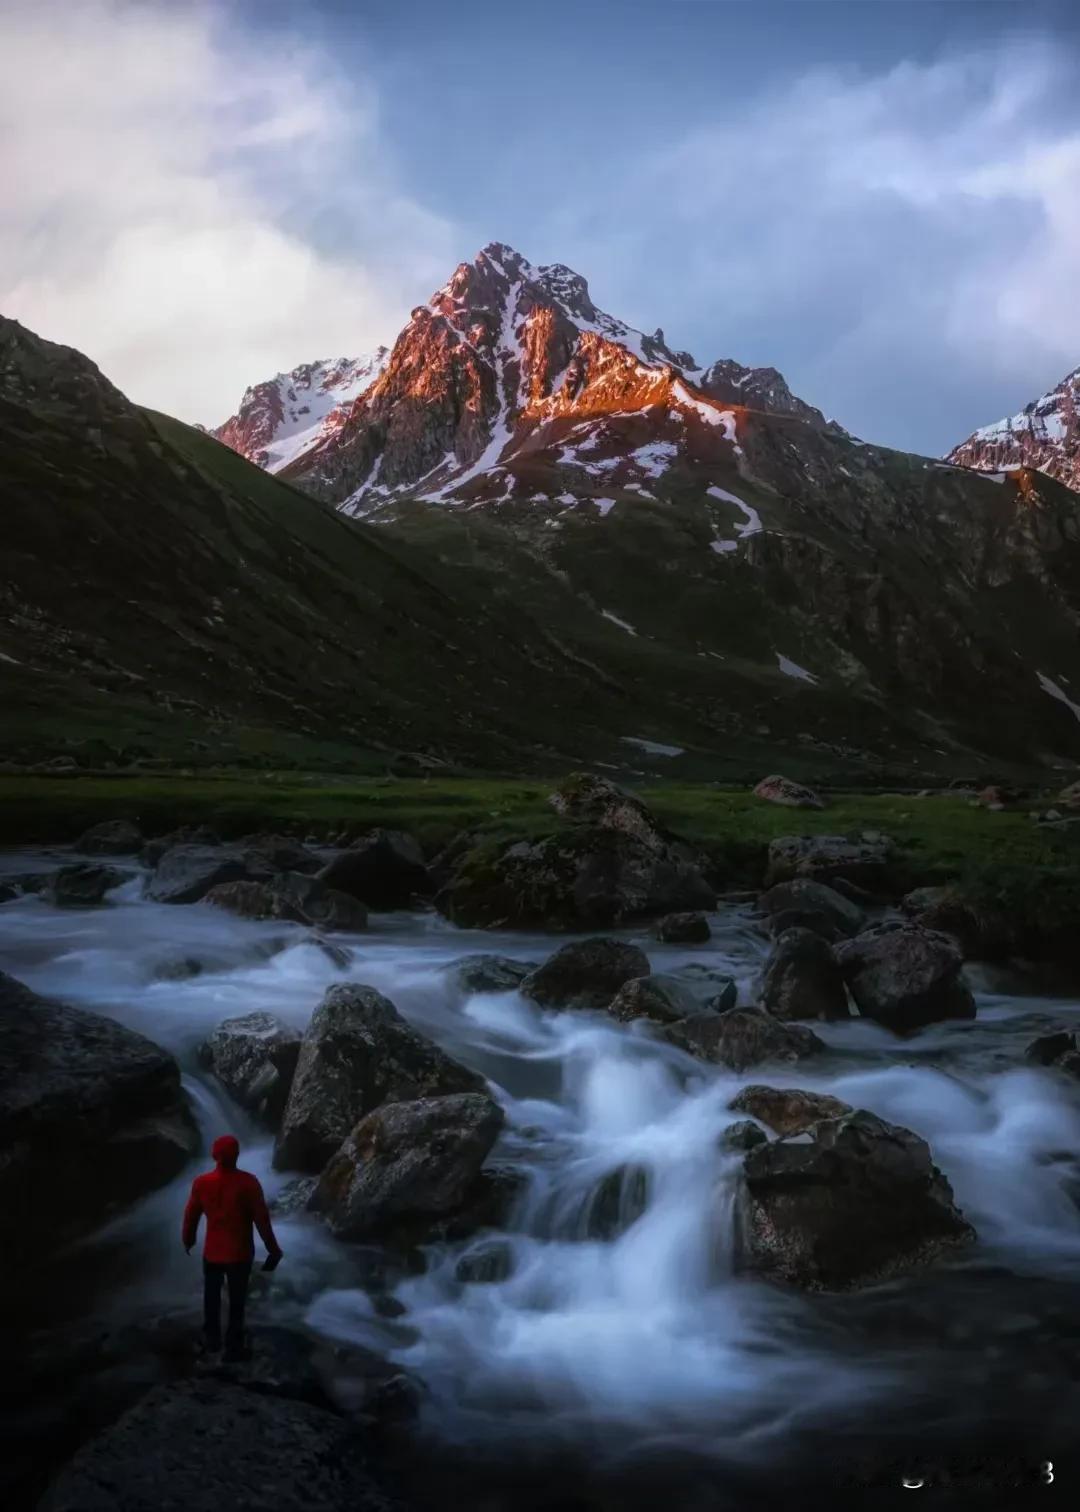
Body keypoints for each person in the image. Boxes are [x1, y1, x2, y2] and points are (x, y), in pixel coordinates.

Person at [181, 1134, 283, 1360]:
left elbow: (191, 1216)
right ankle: (233, 1345)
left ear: (214, 1155)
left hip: (213, 1252)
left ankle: (212, 1339)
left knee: (211, 1297)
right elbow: (262, 1221)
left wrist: (188, 1239)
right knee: (237, 1301)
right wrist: (273, 1249)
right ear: (237, 1155)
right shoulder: (248, 1183)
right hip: (239, 1253)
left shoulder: (201, 1183)